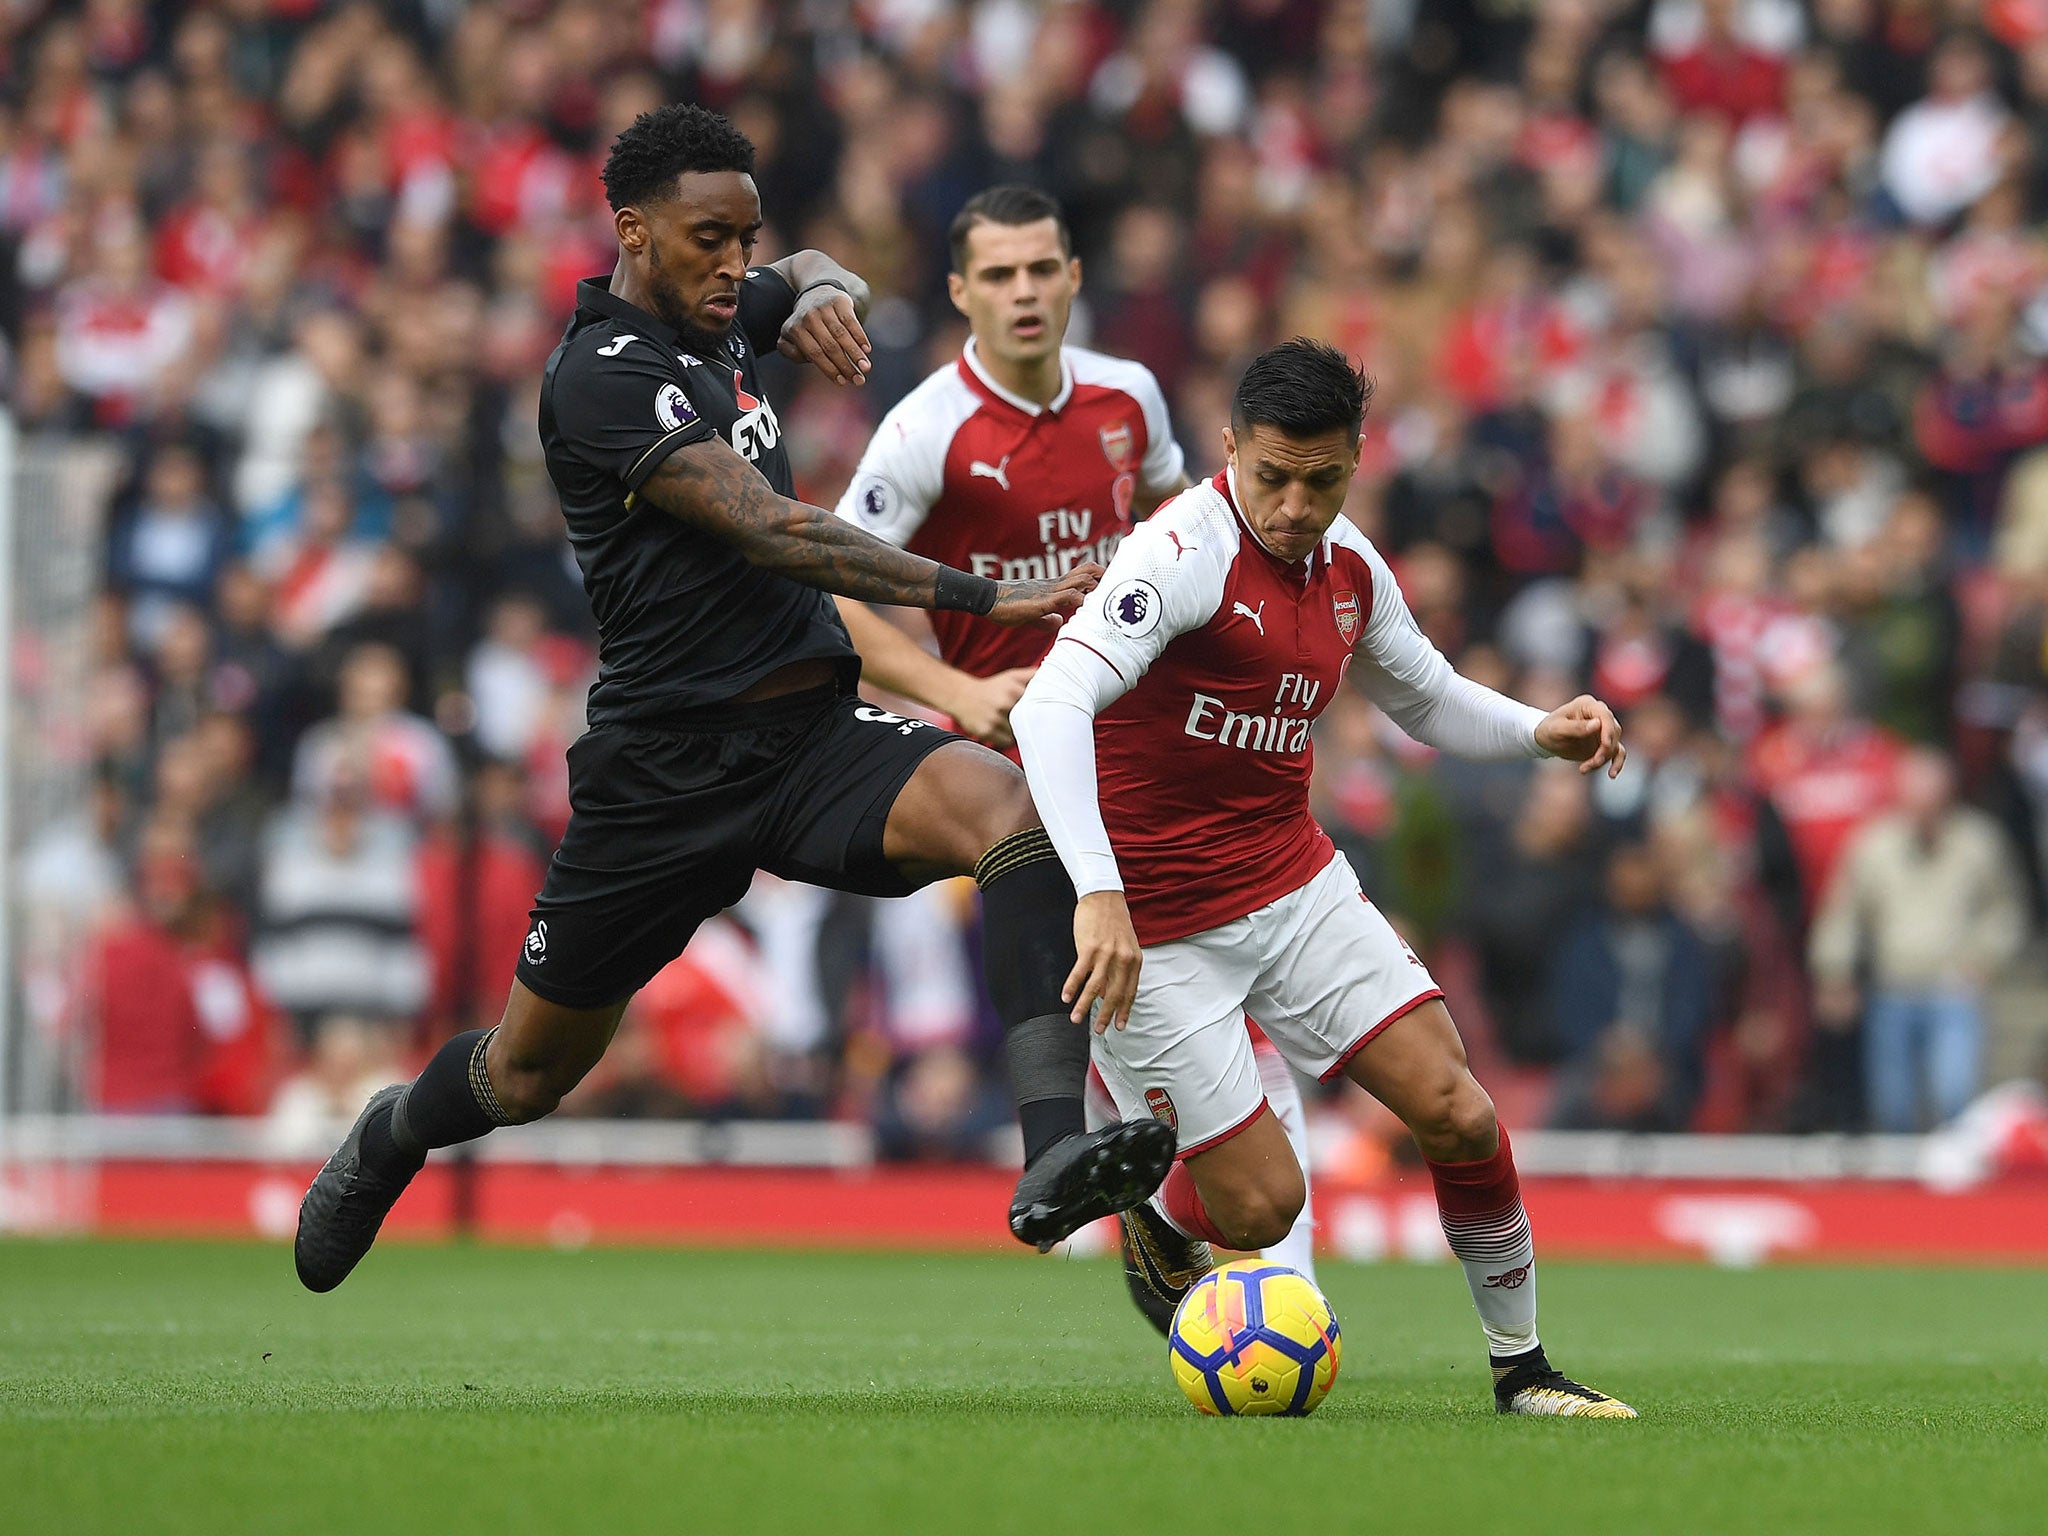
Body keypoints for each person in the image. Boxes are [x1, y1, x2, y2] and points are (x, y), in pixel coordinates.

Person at [294, 105, 1176, 1294]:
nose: (735, 264)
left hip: (808, 738)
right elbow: (768, 526)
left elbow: (820, 274)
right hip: (662, 773)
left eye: (748, 238)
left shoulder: (727, 302)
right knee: (527, 1074)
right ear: (633, 233)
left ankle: (1048, 1155)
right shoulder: (599, 376)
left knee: (1013, 817)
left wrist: (813, 280)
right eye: (710, 238)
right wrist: (978, 596)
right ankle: (392, 1134)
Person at [1011, 339, 1637, 1418]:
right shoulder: (1177, 557)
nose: (1296, 505)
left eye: (1322, 479)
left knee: (1458, 1112)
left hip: (1289, 884)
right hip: (1152, 928)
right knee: (1260, 1206)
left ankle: (1521, 1370)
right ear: (1228, 453)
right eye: (1272, 477)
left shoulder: (1348, 566)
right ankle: (1158, 1208)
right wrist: (1099, 894)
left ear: (1355, 461)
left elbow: (1425, 695)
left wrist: (1542, 730)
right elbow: (1045, 707)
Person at [832, 184, 1321, 1324]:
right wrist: (955, 689)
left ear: (1071, 275)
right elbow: (826, 592)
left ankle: (1196, 1238)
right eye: (996, 275)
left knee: (1216, 1003)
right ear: (959, 292)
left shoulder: (1128, 397)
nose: (1021, 293)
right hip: (1031, 772)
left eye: (1039, 270)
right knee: (1179, 1005)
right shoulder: (922, 432)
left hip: (1155, 745)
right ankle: (1220, 1254)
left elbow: (1193, 534)